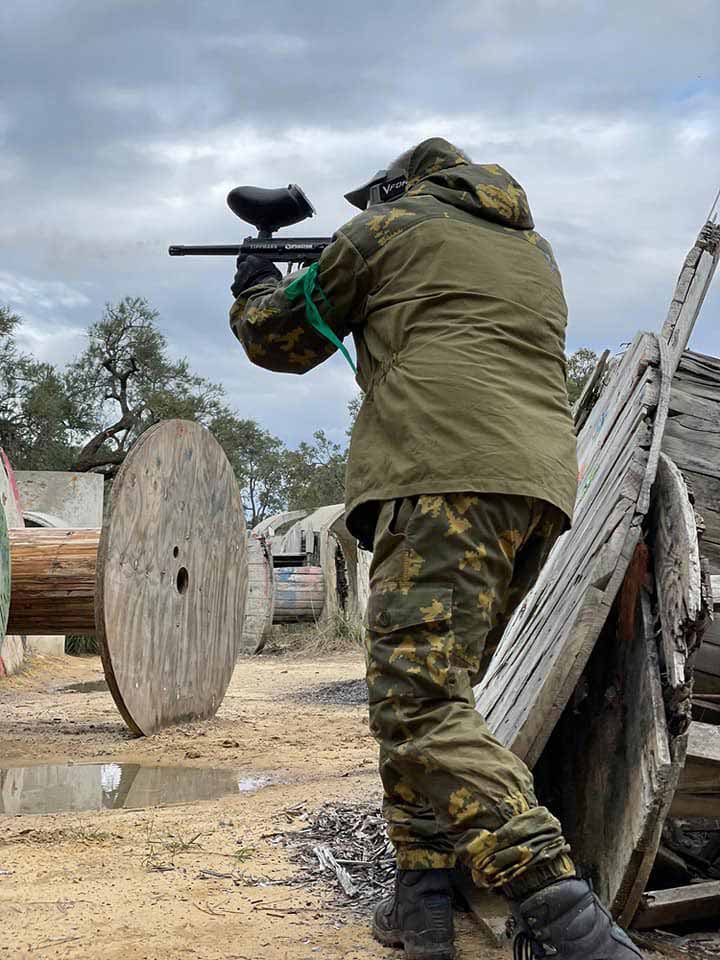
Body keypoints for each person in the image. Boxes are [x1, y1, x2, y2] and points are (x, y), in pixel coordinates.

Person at [228, 138, 642, 960]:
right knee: (436, 695)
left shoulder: (391, 227)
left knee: (417, 705)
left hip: (440, 473)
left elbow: (278, 340)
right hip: (537, 490)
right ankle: (421, 902)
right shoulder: (531, 246)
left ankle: (571, 925)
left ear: (397, 187)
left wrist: (254, 278)